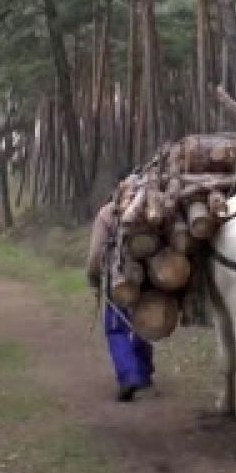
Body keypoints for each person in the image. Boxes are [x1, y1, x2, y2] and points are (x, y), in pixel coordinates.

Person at [87, 168, 155, 402]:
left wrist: (93, 277)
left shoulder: (107, 214)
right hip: (149, 276)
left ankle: (129, 377)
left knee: (117, 328)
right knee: (143, 321)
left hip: (119, 279)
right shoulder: (152, 207)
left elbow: (96, 254)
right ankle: (144, 371)